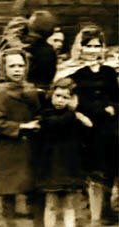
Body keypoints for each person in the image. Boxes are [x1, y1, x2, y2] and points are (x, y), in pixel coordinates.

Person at [66, 25, 119, 226]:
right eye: (88, 46)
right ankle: (87, 212)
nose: (93, 50)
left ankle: (106, 210)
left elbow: (116, 96)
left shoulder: (107, 72)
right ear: (81, 47)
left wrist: (113, 107)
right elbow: (75, 100)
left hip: (109, 127)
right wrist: (99, 109)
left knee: (109, 168)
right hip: (87, 126)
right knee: (90, 169)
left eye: (97, 46)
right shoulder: (76, 72)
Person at [0, 48, 41, 227]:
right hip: (7, 146)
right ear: (4, 69)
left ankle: (36, 219)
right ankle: (9, 221)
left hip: (29, 145)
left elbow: (38, 113)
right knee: (8, 188)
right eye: (12, 66)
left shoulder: (31, 90)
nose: (17, 69)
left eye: (21, 65)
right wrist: (22, 126)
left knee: (31, 185)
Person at [35, 78, 92, 227]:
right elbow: (55, 124)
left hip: (70, 164)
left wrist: (79, 118)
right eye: (57, 95)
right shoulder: (46, 113)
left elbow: (86, 132)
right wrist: (74, 113)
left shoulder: (74, 116)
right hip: (51, 165)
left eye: (65, 97)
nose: (60, 100)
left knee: (69, 204)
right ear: (51, 95)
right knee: (51, 204)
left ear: (72, 99)